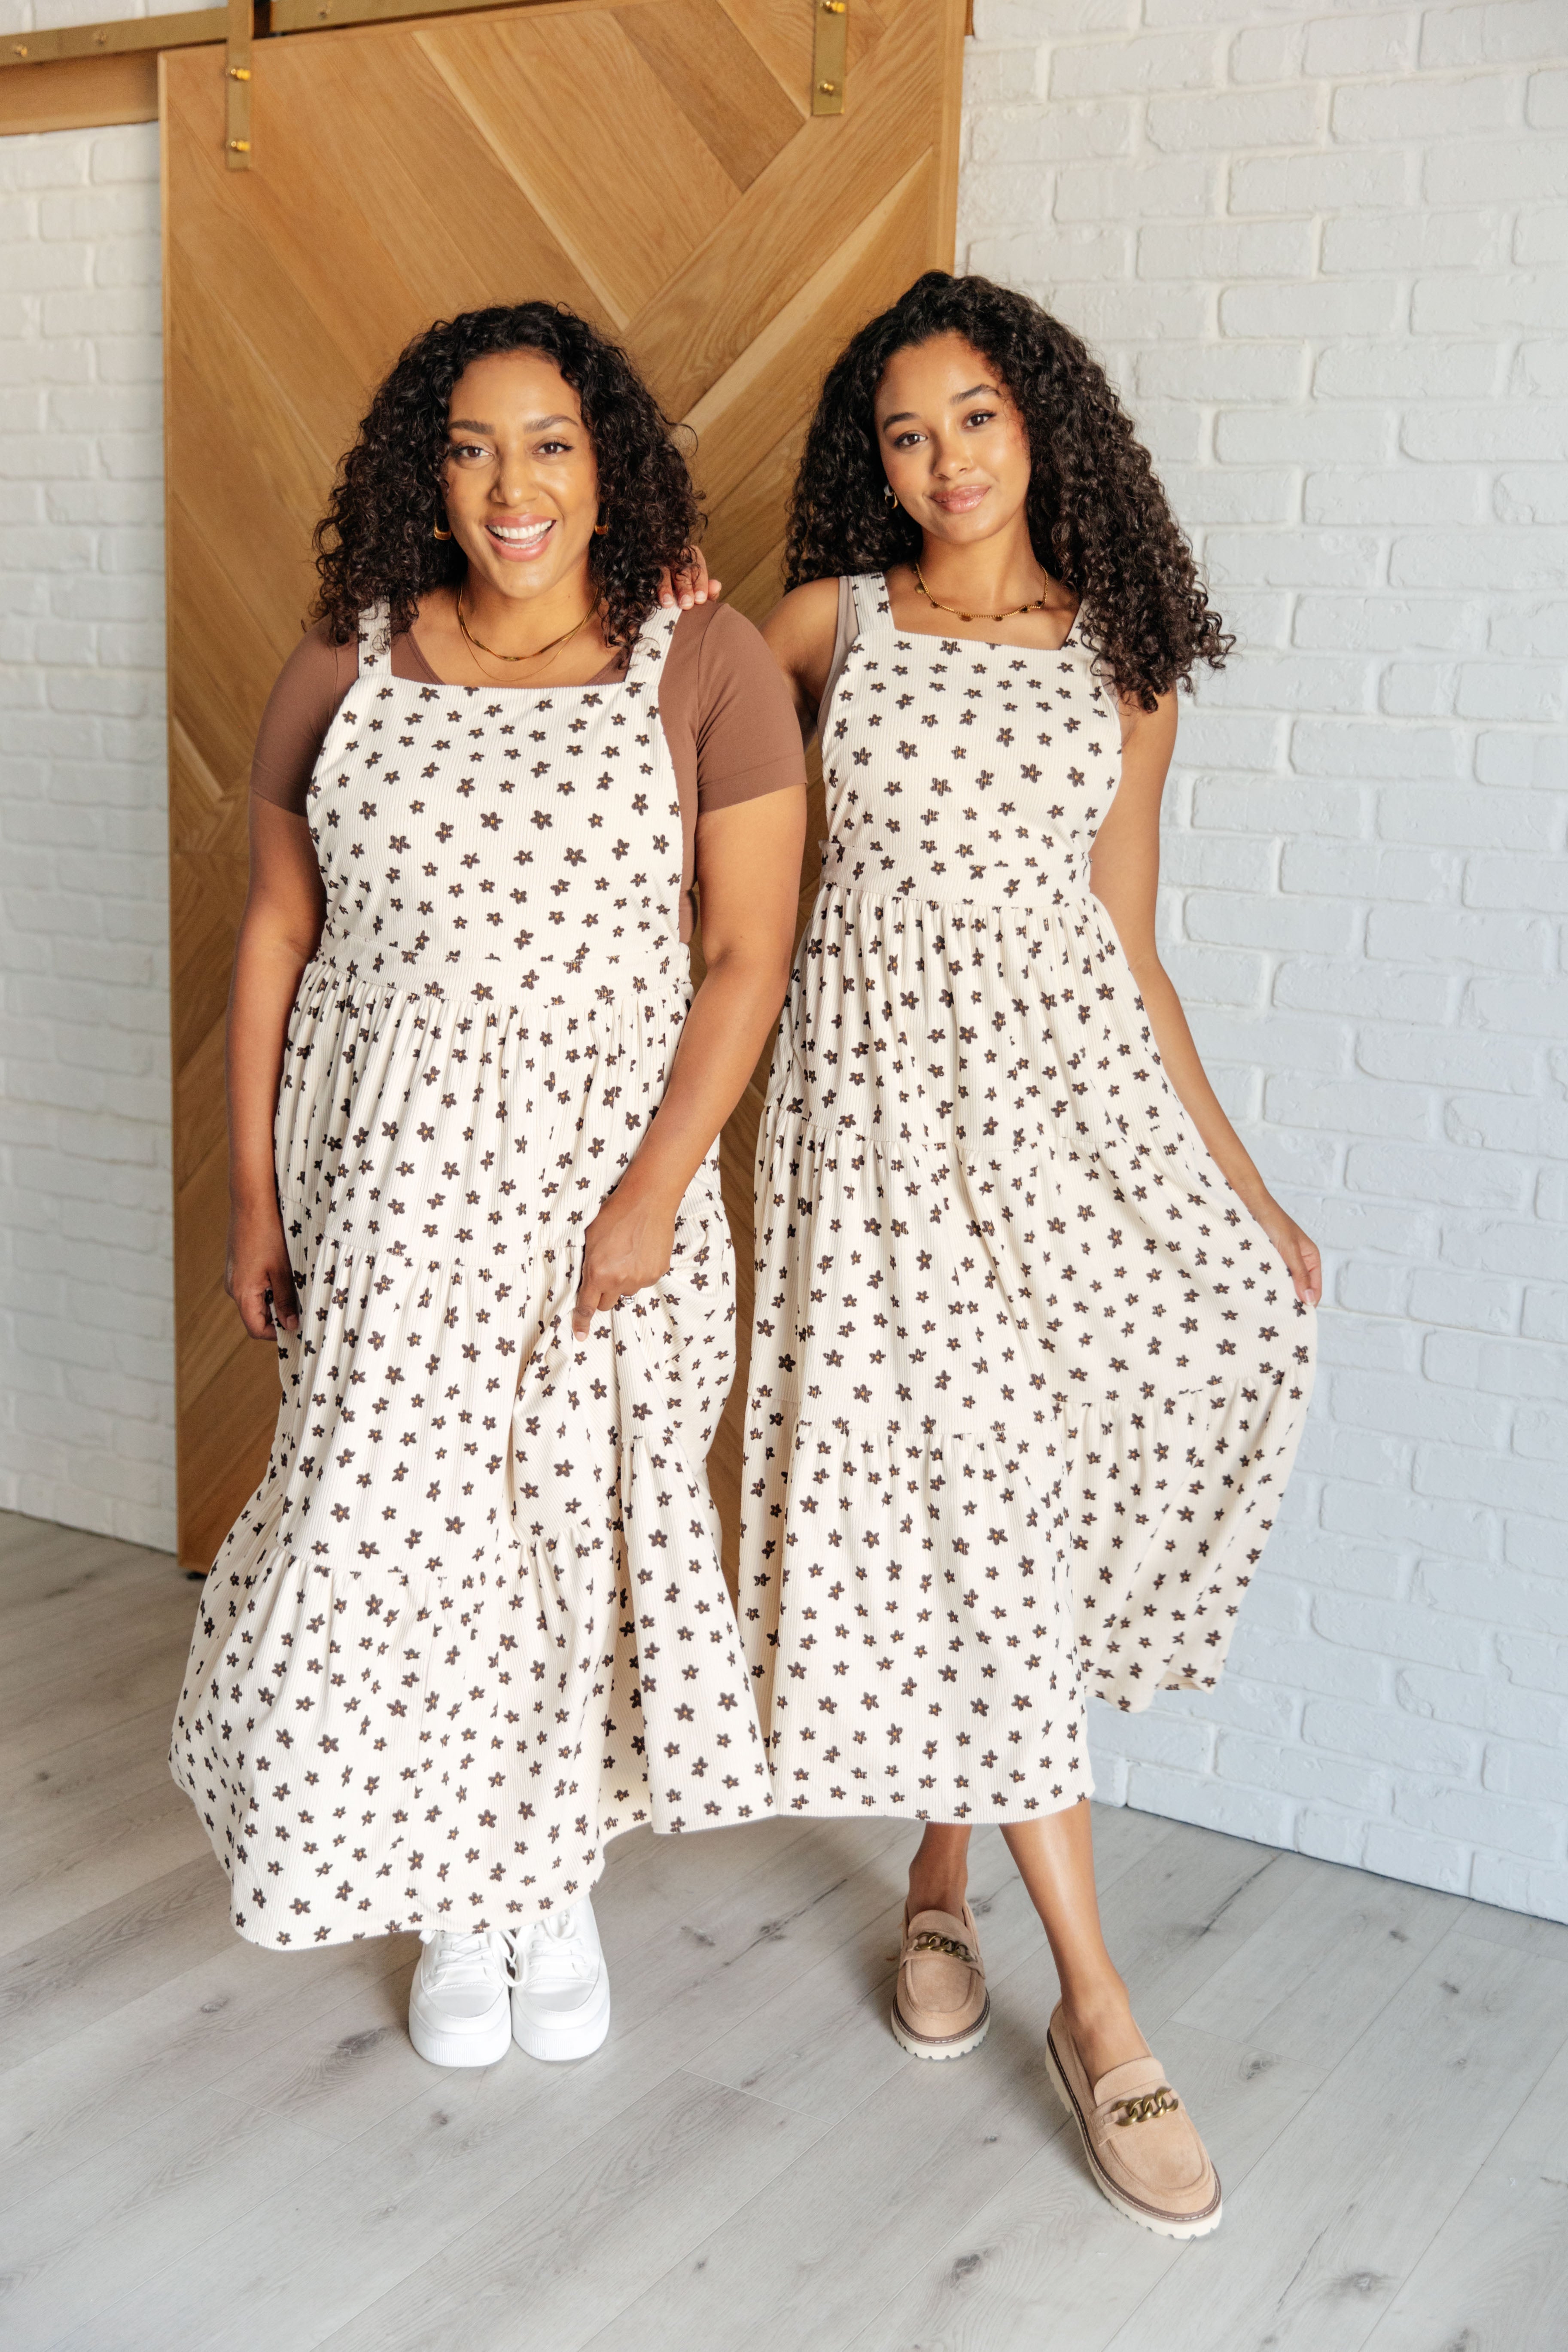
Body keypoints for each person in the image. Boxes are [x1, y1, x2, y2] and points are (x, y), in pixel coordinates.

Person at [741, 271, 1319, 2238]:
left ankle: (938, 1870)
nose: (944, 460)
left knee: (1015, 1503)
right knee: (968, 1501)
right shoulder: (827, 628)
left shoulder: (1121, 663)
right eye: (904, 432)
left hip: (1065, 1126)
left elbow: (1128, 949)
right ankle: (1098, 2005)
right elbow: (654, 776)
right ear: (873, 462)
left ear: (1040, 420)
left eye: (974, 415)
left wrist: (1241, 1187)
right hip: (877, 1132)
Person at [171, 301, 806, 2072]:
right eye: (469, 448)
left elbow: (745, 955)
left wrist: (654, 1194)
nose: (510, 486)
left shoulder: (706, 662)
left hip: (605, 1195)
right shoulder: (346, 659)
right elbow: (277, 932)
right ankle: (457, 1881)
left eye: (548, 444)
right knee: (397, 1534)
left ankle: (550, 1876)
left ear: (608, 466)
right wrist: (252, 1197)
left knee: (571, 1536)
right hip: (385, 1190)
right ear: (424, 474)